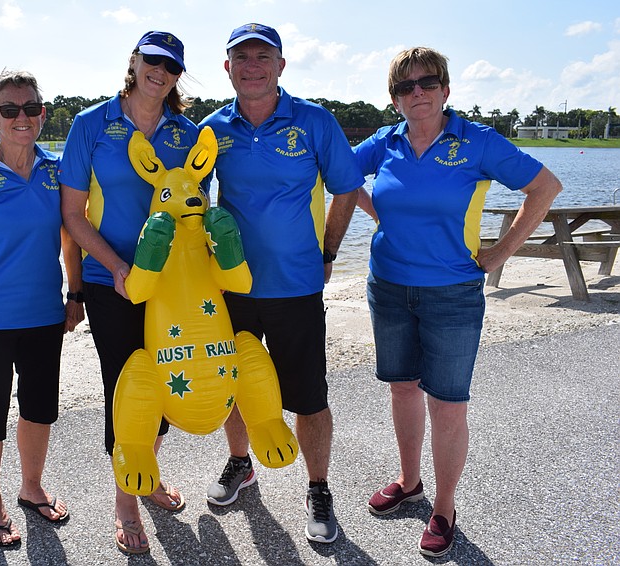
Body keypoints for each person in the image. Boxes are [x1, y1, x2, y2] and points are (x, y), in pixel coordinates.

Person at [354, 47, 562, 557]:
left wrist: (500, 253)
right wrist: (378, 216)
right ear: (394, 99)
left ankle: (444, 506)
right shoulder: (386, 141)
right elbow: (336, 173)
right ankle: (409, 482)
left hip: (453, 292)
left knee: (447, 403)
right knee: (402, 389)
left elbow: (544, 186)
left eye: (427, 83)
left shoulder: (478, 141)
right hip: (388, 287)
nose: (417, 92)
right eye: (405, 87)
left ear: (446, 89)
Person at [199, 23, 365, 544]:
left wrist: (330, 253)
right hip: (233, 287)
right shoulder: (212, 129)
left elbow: (347, 190)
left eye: (262, 56)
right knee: (233, 388)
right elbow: (188, 199)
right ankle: (240, 462)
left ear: (280, 65)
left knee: (308, 397)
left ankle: (318, 488)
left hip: (296, 286)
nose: (252, 66)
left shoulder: (314, 121)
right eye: (241, 57)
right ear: (227, 68)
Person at [58, 31, 200, 554]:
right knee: (125, 389)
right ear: (133, 62)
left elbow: (194, 209)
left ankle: (149, 473)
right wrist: (117, 265)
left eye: (171, 66)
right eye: (152, 61)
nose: (159, 72)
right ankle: (126, 502)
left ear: (177, 75)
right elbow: (71, 215)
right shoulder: (90, 125)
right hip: (108, 280)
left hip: (171, 288)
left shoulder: (186, 133)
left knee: (167, 381)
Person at [0, 70, 84, 547]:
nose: (21, 118)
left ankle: (31, 487)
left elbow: (71, 238)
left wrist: (76, 294)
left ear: (43, 114)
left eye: (30, 108)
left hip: (45, 315)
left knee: (40, 409)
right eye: (10, 110)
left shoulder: (58, 169)